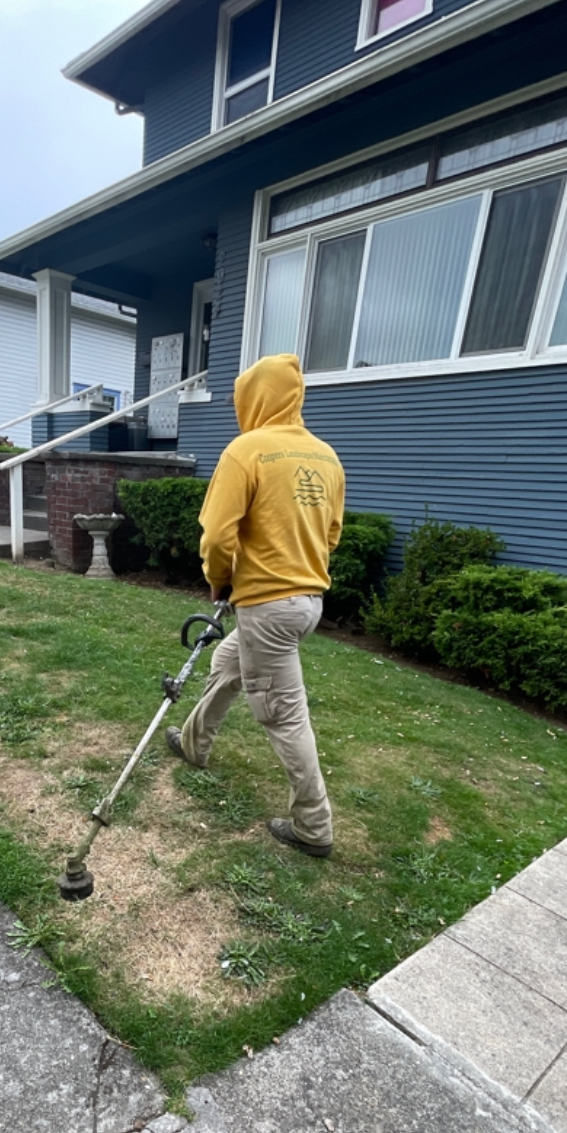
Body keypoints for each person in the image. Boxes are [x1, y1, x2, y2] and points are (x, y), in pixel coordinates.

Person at [166, 352, 345, 858]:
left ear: (256, 398)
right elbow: (331, 534)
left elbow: (218, 535)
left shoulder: (246, 451)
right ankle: (194, 743)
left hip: (267, 607)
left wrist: (218, 580)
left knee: (283, 714)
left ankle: (314, 826)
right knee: (226, 665)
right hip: (307, 603)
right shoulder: (327, 457)